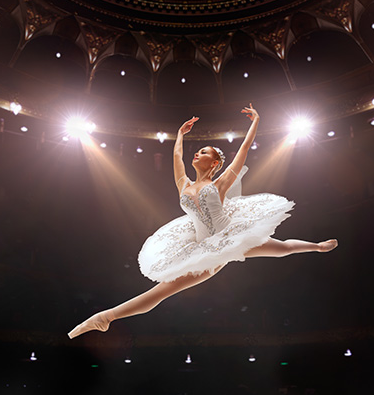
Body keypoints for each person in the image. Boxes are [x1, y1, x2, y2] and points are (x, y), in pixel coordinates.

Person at [68, 104, 338, 339]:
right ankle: (105, 318)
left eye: (204, 152)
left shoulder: (221, 182)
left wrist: (256, 120)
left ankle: (317, 246)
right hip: (200, 246)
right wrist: (179, 135)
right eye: (196, 152)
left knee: (282, 249)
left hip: (230, 235)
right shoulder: (183, 184)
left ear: (216, 163)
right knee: (162, 291)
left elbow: (244, 148)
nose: (196, 154)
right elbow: (176, 157)